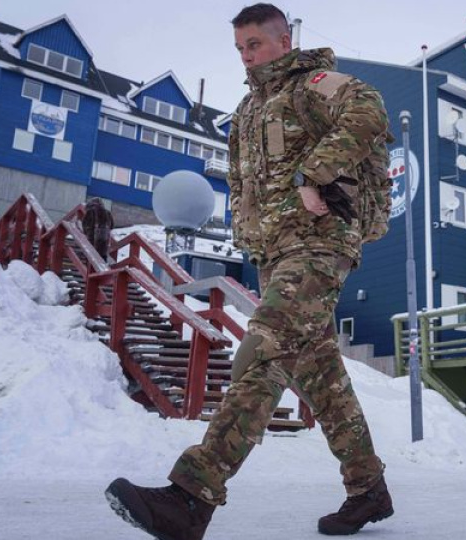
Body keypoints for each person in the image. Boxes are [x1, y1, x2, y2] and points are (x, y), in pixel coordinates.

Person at [104, 4, 393, 539]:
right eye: (239, 48)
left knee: (262, 354)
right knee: (323, 381)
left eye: (254, 45)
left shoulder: (313, 84)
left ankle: (193, 495)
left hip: (317, 245)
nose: (245, 55)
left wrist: (316, 172)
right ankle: (368, 490)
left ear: (284, 40)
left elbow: (369, 109)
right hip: (274, 254)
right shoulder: (247, 111)